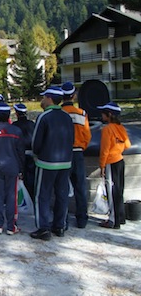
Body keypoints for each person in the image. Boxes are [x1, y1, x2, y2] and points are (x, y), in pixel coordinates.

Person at [30, 87, 74, 241]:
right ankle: (60, 226)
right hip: (65, 162)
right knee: (62, 195)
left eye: (43, 98)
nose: (41, 100)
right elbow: (72, 140)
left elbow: (36, 142)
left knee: (42, 196)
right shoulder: (67, 117)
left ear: (49, 98)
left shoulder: (44, 117)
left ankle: (43, 228)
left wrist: (37, 155)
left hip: (47, 163)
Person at [0, 103, 25, 235]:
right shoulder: (17, 131)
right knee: (11, 196)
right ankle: (11, 226)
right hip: (12, 167)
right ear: (9, 115)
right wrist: (21, 168)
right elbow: (21, 152)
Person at [61, 82, 92, 228]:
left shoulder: (59, 114)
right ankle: (82, 219)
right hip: (78, 153)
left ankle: (63, 219)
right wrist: (81, 147)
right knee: (80, 187)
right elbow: (87, 136)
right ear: (74, 96)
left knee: (62, 187)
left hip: (62, 154)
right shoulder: (82, 114)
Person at [97, 102, 131, 229]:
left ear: (109, 115)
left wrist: (102, 166)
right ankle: (120, 217)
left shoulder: (107, 129)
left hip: (111, 162)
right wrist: (118, 148)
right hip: (120, 161)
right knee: (119, 189)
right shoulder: (121, 127)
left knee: (111, 191)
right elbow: (127, 144)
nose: (101, 115)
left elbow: (104, 150)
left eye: (103, 113)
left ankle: (113, 220)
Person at [12, 103, 36, 199]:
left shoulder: (14, 126)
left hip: (19, 154)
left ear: (17, 114)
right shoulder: (31, 124)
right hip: (31, 153)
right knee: (31, 177)